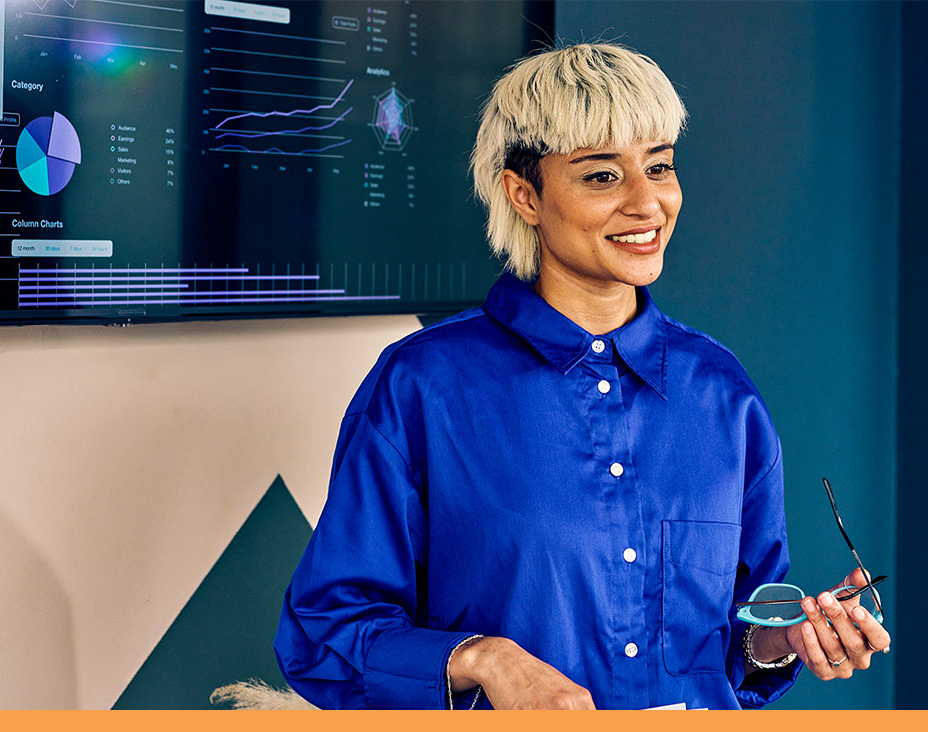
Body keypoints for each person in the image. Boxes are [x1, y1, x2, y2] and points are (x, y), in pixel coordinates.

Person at [272, 43, 891, 710]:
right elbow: (326, 634)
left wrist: (781, 639)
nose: (647, 203)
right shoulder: (422, 387)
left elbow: (734, 635)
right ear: (525, 195)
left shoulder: (722, 394)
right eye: (602, 177)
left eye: (660, 166)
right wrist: (483, 659)